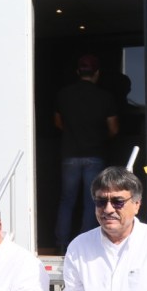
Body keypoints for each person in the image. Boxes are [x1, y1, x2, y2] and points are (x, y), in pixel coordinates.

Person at [54, 54, 119, 254]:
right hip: (95, 154)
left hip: (70, 155)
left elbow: (57, 122)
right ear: (97, 73)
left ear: (77, 72)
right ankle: (85, 248)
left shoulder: (63, 94)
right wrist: (98, 138)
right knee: (93, 201)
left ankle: (62, 244)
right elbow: (114, 129)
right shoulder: (105, 97)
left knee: (67, 200)